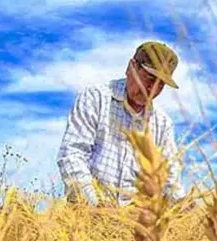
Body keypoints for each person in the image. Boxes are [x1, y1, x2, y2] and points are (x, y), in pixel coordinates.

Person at [57, 40, 185, 206]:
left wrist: (184, 206)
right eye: (149, 79)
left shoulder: (162, 123)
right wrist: (95, 204)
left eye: (160, 84)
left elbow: (170, 179)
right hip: (85, 216)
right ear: (131, 67)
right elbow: (72, 154)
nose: (152, 89)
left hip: (133, 223)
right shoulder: (95, 99)